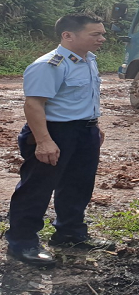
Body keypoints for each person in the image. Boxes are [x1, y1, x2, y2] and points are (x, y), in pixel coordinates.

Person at [5, 14, 113, 267]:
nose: (102, 38)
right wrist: (43, 141)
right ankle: (22, 242)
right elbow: (33, 104)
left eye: (102, 33)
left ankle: (70, 232)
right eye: (95, 34)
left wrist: (94, 126)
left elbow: (83, 98)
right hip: (55, 131)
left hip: (84, 131)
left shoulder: (89, 60)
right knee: (37, 187)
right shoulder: (49, 64)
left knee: (78, 184)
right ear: (68, 35)